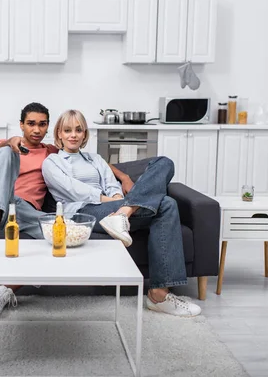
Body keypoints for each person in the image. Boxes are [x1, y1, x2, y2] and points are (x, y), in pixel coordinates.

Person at [0, 103, 132, 317]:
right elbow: (3, 150)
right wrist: (9, 142)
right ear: (21, 125)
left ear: (48, 128)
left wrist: (123, 177)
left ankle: (5, 289)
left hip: (27, 214)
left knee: (63, 236)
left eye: (42, 124)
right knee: (5, 153)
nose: (36, 130)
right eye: (30, 124)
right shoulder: (7, 146)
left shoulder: (51, 153)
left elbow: (87, 156)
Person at [41, 109, 201, 317]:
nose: (73, 135)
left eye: (78, 130)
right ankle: (159, 295)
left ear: (84, 134)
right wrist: (115, 201)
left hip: (113, 208)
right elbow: (74, 191)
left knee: (165, 163)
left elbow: (111, 183)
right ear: (59, 134)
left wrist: (119, 198)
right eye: (68, 130)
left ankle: (123, 215)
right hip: (82, 212)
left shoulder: (95, 159)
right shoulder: (52, 162)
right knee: (167, 203)